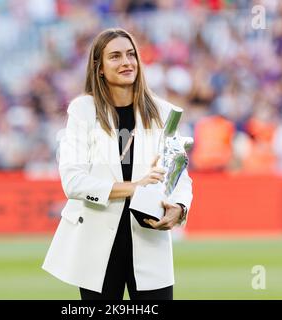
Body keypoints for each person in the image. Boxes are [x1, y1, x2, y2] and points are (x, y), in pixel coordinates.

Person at [42, 28, 193, 300]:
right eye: (115, 56)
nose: (126, 62)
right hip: (96, 244)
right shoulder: (82, 111)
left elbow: (178, 174)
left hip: (150, 239)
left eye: (131, 54)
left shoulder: (164, 112)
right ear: (99, 68)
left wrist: (179, 208)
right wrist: (134, 188)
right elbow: (73, 182)